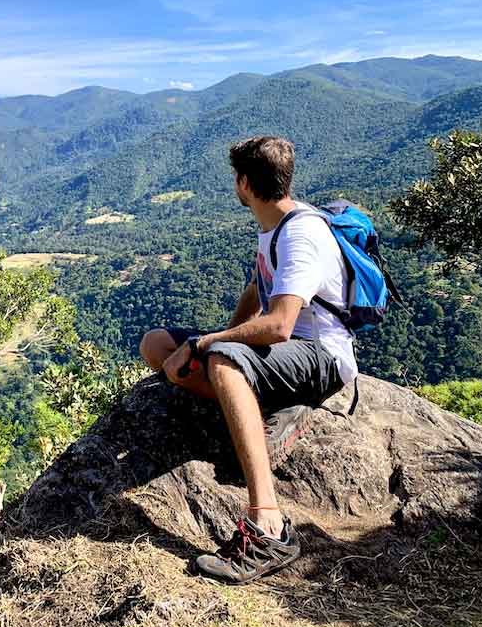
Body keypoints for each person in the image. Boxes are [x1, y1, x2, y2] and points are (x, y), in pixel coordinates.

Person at [138, 135, 354, 584]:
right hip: (283, 355)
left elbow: (279, 324)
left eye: (235, 178)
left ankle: (269, 527)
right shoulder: (271, 224)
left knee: (220, 360)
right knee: (156, 345)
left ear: (244, 183)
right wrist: (212, 337)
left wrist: (210, 345)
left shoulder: (301, 233)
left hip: (322, 358)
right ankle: (265, 410)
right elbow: (257, 290)